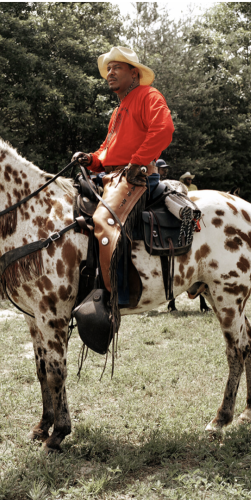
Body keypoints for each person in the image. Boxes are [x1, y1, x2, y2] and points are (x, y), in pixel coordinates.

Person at [73, 45, 174, 312]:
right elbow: (108, 150)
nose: (110, 73)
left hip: (136, 178)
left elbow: (164, 129)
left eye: (117, 67)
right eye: (108, 68)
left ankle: (115, 295)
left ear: (134, 73)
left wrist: (138, 161)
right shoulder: (117, 112)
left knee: (103, 221)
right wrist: (92, 160)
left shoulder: (148, 95)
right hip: (114, 177)